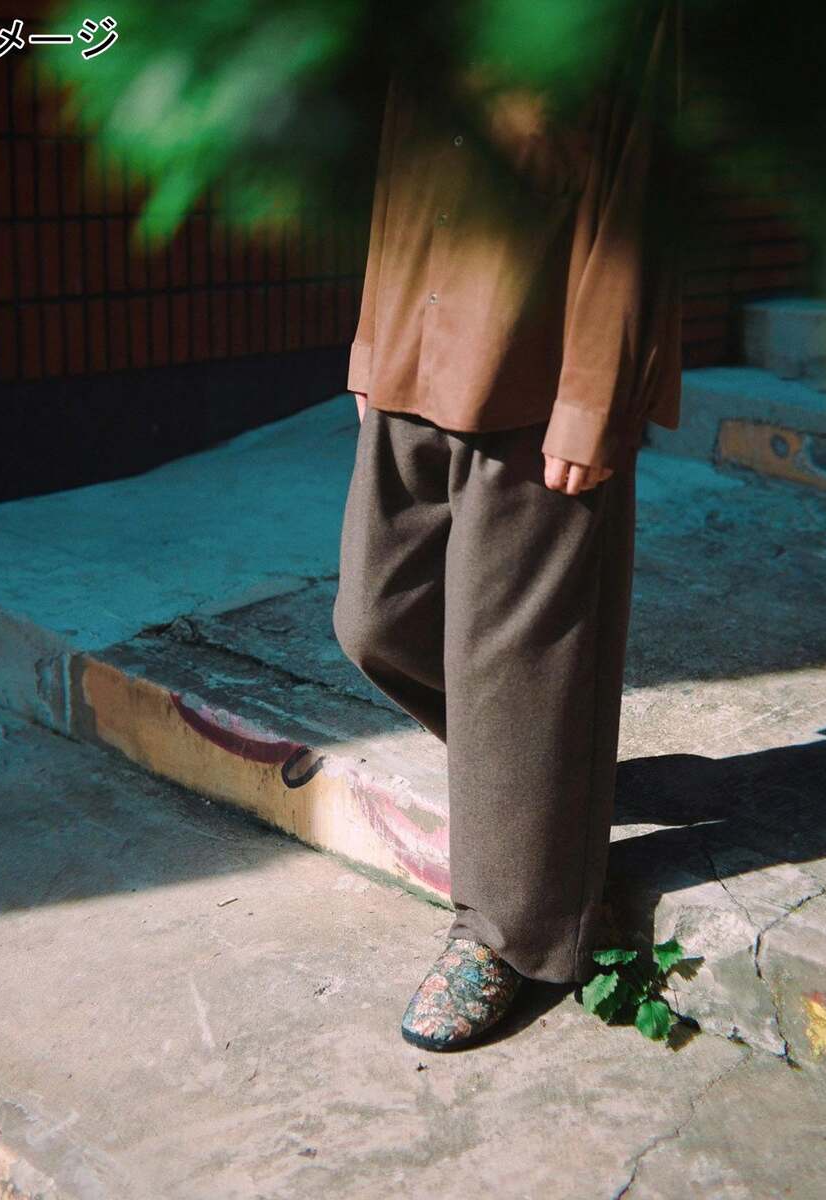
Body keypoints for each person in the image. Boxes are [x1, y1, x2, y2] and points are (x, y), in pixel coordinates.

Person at [332, 0, 684, 1051]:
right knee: (374, 617)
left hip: (537, 369)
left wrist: (594, 399)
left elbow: (640, 192)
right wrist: (372, 338)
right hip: (416, 346)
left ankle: (510, 935)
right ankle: (549, 783)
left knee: (513, 663)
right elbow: (400, 161)